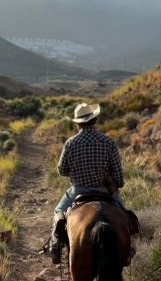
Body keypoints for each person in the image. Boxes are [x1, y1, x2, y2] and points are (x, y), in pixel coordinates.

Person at [48, 102, 125, 264]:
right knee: (124, 214)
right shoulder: (108, 142)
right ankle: (127, 249)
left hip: (77, 192)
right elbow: (119, 179)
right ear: (94, 120)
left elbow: (62, 170)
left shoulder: (70, 143)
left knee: (58, 211)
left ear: (77, 123)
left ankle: (55, 245)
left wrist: (77, 171)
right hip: (105, 192)